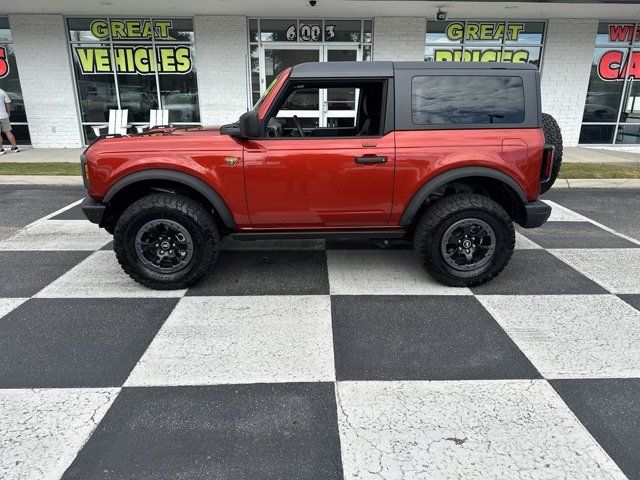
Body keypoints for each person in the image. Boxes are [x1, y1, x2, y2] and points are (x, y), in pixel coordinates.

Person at [0, 88, 19, 155]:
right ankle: (15, 147)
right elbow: (8, 103)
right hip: (4, 115)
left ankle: (1, 149)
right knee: (8, 132)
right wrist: (8, 112)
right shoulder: (2, 92)